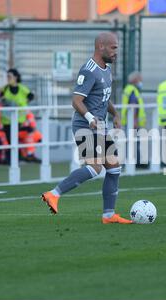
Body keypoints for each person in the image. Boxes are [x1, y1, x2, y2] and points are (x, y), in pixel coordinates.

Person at [41, 32, 132, 224]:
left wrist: (115, 114)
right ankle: (53, 194)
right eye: (113, 47)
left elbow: (103, 98)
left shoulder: (106, 69)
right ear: (101, 47)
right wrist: (90, 118)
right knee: (94, 167)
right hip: (84, 125)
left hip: (100, 126)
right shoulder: (89, 70)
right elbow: (76, 100)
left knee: (114, 167)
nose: (117, 52)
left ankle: (108, 215)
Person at [0, 68, 41, 162]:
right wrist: (6, 102)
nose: (8, 78)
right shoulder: (5, 88)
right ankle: (15, 157)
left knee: (14, 138)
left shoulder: (22, 88)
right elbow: (0, 98)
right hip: (6, 119)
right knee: (10, 139)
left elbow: (31, 96)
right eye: (7, 76)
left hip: (19, 118)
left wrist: (23, 103)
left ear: (15, 77)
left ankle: (15, 158)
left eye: (10, 76)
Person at [121, 71, 147, 167]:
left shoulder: (128, 89)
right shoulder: (132, 90)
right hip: (132, 121)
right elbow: (133, 105)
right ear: (135, 80)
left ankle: (129, 161)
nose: (141, 81)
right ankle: (137, 162)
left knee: (131, 142)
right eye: (140, 79)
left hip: (129, 121)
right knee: (135, 142)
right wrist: (134, 120)